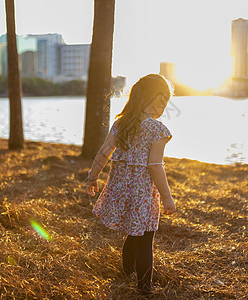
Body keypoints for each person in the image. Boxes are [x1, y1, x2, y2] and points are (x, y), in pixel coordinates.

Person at [85, 74, 176, 295]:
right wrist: (166, 196)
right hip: (142, 194)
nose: (163, 107)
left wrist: (92, 176)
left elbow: (104, 152)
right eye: (162, 100)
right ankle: (145, 285)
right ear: (150, 98)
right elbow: (155, 166)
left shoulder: (121, 123)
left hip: (121, 190)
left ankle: (127, 272)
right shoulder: (158, 130)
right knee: (145, 238)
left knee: (133, 234)